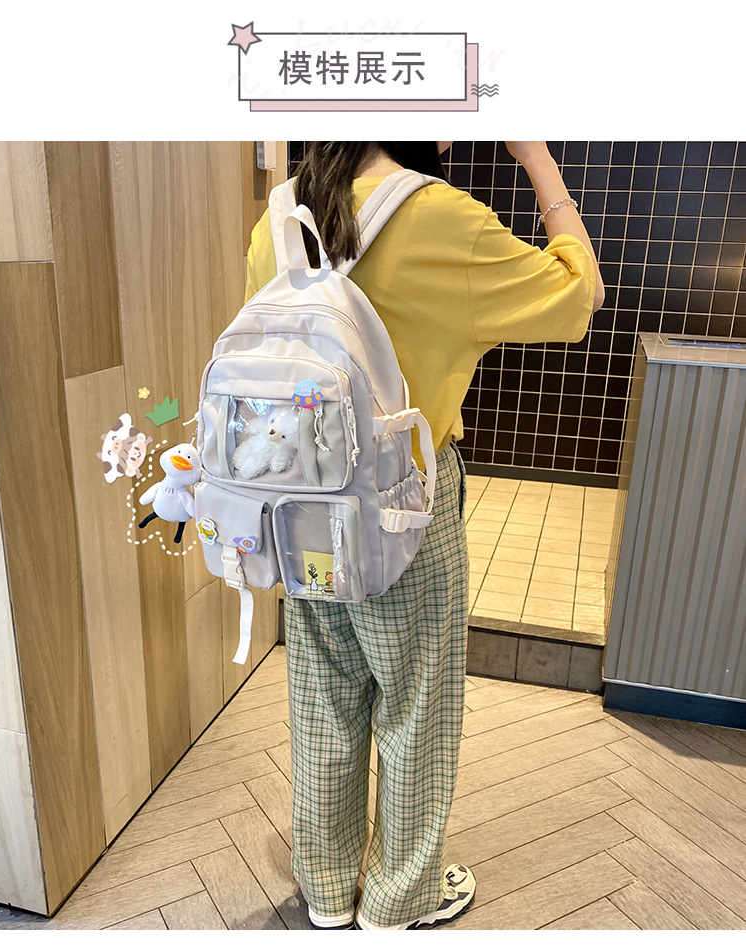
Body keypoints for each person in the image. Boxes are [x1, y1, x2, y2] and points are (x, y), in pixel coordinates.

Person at [242, 141, 604, 930]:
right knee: (415, 709)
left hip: (301, 504)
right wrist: (538, 160)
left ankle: (327, 890)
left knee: (323, 700)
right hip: (402, 507)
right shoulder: (440, 217)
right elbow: (579, 298)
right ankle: (399, 900)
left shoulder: (278, 217)